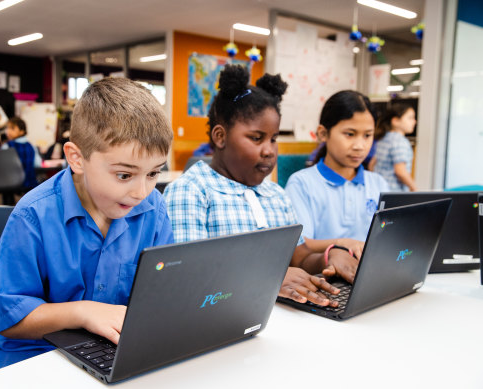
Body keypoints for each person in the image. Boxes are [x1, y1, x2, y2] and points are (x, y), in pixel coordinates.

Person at [0, 77, 174, 369]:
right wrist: (84, 312)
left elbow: (162, 293)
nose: (141, 193)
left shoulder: (154, 210)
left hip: (113, 350)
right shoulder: (32, 217)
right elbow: (12, 320)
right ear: (76, 158)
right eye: (125, 175)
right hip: (36, 356)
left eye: (153, 174)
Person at [163, 64, 357, 308]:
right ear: (220, 137)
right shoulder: (191, 191)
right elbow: (189, 274)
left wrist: (328, 257)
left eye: (274, 139)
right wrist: (270, 279)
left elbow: (299, 255)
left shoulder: (275, 194)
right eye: (256, 138)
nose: (268, 150)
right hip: (220, 319)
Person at [285, 90, 390, 252]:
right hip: (321, 274)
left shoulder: (378, 183)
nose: (359, 146)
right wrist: (344, 243)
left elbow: (387, 236)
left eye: (367, 135)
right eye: (350, 134)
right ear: (323, 133)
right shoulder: (301, 183)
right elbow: (299, 245)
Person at [373, 104, 417, 191]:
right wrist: (415, 188)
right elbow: (400, 171)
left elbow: (372, 164)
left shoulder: (383, 138)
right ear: (395, 121)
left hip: (379, 189)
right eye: (410, 118)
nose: (414, 121)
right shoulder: (400, 141)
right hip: (394, 192)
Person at [3, 116, 41, 192]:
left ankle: (7, 202)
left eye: (12, 128)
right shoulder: (32, 146)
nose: (8, 131)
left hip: (10, 182)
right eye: (7, 128)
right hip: (30, 182)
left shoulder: (7, 146)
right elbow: (38, 164)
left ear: (22, 131)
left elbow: (2, 165)